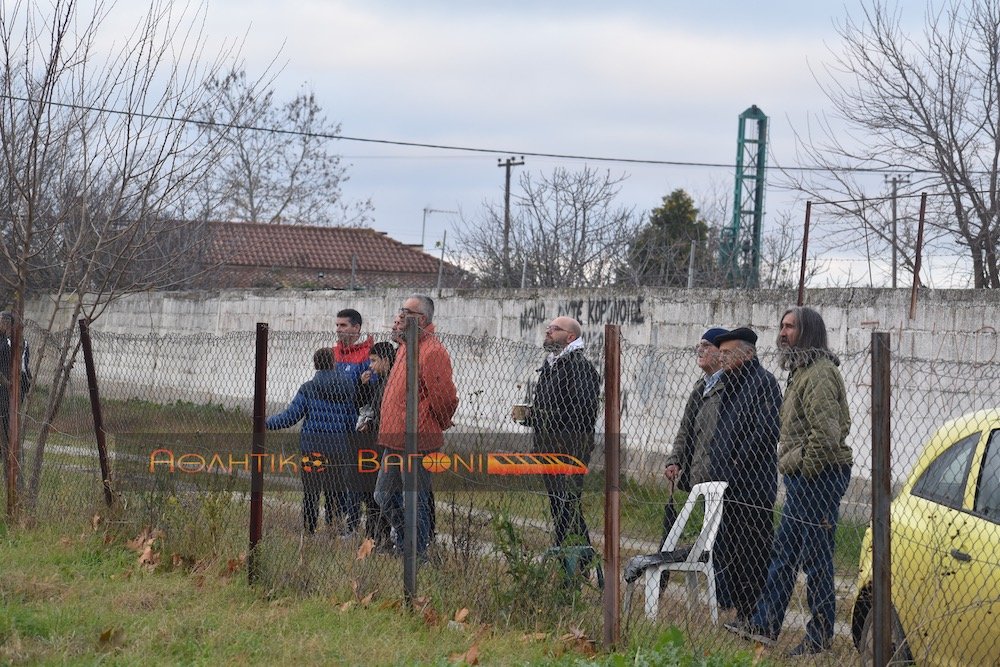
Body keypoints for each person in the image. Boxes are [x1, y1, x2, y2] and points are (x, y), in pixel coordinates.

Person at [726, 307, 853, 657]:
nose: (782, 333)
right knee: (784, 555)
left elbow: (826, 435)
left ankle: (819, 636)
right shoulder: (801, 371)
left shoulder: (821, 374)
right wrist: (796, 470)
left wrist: (804, 469)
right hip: (802, 479)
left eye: (790, 327)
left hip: (820, 477)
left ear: (808, 332)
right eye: (781, 326)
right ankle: (766, 624)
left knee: (816, 559)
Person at [373, 294, 458, 559]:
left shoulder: (432, 351)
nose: (399, 315)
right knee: (383, 496)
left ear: (420, 319)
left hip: (417, 439)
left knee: (416, 500)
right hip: (394, 438)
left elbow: (445, 398)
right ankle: (408, 541)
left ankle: (416, 554)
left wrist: (439, 423)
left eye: (405, 311)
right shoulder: (405, 347)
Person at [517, 316, 600, 580]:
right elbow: (553, 411)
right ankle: (573, 563)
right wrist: (531, 416)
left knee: (568, 507)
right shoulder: (552, 365)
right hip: (548, 449)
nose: (548, 331)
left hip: (568, 450)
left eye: (555, 329)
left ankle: (581, 564)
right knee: (560, 508)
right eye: (549, 328)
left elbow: (581, 414)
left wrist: (544, 419)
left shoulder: (579, 368)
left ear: (571, 337)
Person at [266, 348, 358, 535]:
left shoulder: (308, 388)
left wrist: (266, 423)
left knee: (311, 492)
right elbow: (351, 419)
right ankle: (334, 528)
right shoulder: (347, 387)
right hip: (338, 449)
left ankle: (309, 530)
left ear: (315, 364)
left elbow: (291, 416)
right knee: (336, 492)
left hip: (313, 448)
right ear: (333, 363)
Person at [332, 308, 373, 534]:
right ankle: (335, 519)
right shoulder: (332, 353)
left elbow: (370, 393)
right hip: (332, 428)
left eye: (343, 325)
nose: (338, 330)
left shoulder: (367, 355)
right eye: (337, 325)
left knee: (353, 478)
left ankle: (353, 525)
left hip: (355, 430)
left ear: (356, 328)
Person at [356, 341, 396, 550]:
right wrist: (362, 387)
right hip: (375, 443)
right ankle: (376, 536)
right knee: (373, 493)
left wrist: (374, 425)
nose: (370, 365)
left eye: (373, 361)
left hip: (384, 445)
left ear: (386, 360)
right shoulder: (380, 382)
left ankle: (383, 537)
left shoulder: (392, 383)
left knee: (380, 494)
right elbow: (370, 407)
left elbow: (385, 415)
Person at [0, 311, 31, 481]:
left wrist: (17, 386)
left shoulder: (14, 342)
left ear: (6, 324)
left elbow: (22, 368)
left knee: (8, 427)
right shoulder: (6, 340)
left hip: (11, 390)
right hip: (8, 387)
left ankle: (12, 464)